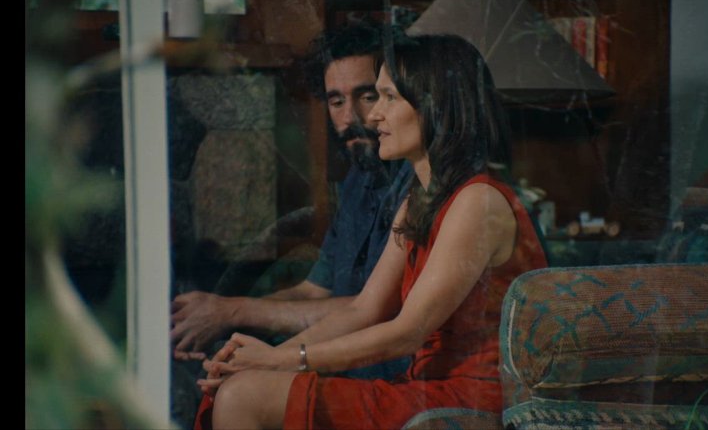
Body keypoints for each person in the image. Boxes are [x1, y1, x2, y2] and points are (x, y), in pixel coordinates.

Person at [193, 34, 549, 430]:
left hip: (472, 399)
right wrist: (256, 359)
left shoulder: (477, 201)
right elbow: (364, 310)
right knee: (236, 384)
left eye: (388, 98)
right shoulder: (418, 199)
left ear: (435, 105)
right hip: (425, 387)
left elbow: (407, 333)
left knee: (244, 396)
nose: (374, 115)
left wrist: (279, 360)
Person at [170, 22, 414, 382]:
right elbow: (314, 291)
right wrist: (214, 319)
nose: (350, 118)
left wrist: (234, 313)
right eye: (336, 101)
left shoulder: (419, 184)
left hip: (389, 377)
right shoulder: (358, 180)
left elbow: (375, 308)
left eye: (367, 96)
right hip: (333, 367)